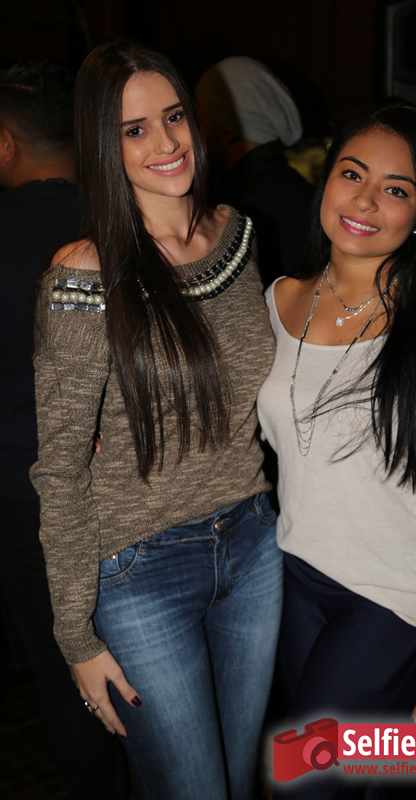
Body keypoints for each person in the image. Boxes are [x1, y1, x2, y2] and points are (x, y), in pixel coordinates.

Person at [30, 40, 283, 800]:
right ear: (102, 145)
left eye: (173, 117)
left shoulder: (238, 236)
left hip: (253, 544)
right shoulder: (84, 274)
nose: (166, 142)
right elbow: (60, 467)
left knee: (239, 783)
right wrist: (75, 637)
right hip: (141, 572)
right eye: (134, 130)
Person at [257, 100, 416, 799]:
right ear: (325, 180)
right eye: (352, 174)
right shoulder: (275, 301)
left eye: (395, 189)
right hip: (295, 579)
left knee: (305, 777)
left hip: (390, 602)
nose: (364, 201)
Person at [0, 61, 129, 799]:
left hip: (25, 498)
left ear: (6, 142)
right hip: (133, 490)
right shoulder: (128, 220)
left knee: (67, 680)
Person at [195, 56, 314, 285]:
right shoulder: (305, 191)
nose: (193, 136)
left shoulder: (234, 207)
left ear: (227, 128)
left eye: (200, 123)